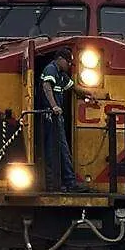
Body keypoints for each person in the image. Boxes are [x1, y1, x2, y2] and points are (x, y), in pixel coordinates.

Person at [39, 48, 94, 193]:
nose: (69, 65)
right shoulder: (51, 69)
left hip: (56, 117)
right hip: (51, 117)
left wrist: (87, 94)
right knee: (58, 149)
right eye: (68, 62)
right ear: (60, 59)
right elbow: (46, 86)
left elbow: (73, 88)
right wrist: (54, 106)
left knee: (58, 149)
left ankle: (59, 183)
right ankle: (65, 183)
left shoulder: (61, 75)